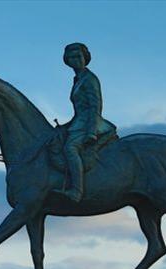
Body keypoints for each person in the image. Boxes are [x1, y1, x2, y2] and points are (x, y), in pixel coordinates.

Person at [57, 42, 116, 203]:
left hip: (91, 123)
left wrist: (91, 131)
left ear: (85, 58)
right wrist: (66, 125)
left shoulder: (90, 79)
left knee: (70, 148)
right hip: (79, 122)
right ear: (67, 61)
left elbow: (95, 106)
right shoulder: (78, 80)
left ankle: (76, 190)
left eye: (78, 57)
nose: (75, 60)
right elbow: (79, 110)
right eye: (71, 58)